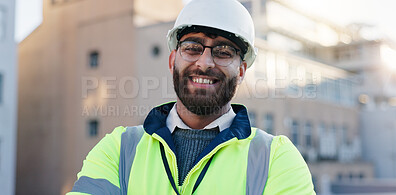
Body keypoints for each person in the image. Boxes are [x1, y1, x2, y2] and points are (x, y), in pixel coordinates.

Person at [68, 0, 316, 194]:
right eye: (192, 48)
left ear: (241, 71)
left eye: (223, 52)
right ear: (172, 61)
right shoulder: (119, 149)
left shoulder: (276, 159)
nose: (205, 63)